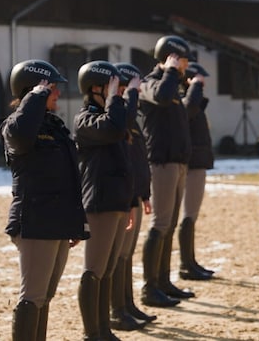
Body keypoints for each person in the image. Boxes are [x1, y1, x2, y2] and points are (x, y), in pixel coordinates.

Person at [0, 59, 89, 340]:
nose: (57, 93)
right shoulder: (15, 126)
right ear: (32, 90)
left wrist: (74, 223)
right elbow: (21, 135)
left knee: (45, 297)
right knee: (33, 297)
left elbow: (71, 177)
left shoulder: (55, 127)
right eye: (51, 88)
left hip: (58, 222)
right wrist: (36, 96)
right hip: (35, 222)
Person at [74, 60, 140, 340]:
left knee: (107, 270)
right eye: (111, 86)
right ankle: (92, 333)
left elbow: (124, 124)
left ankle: (103, 329)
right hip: (99, 202)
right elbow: (113, 128)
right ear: (95, 88)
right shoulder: (86, 119)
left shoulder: (112, 116)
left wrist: (129, 203)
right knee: (94, 269)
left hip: (117, 201)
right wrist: (116, 98)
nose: (117, 92)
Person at [138, 34, 194, 307]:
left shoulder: (174, 85)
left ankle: (163, 281)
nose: (186, 64)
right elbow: (160, 97)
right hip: (161, 163)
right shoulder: (150, 83)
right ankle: (149, 288)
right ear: (171, 58)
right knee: (160, 224)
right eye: (182, 59)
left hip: (178, 162)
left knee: (170, 224)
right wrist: (170, 71)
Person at [109, 62, 157, 330]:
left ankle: (126, 304)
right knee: (119, 255)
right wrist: (129, 96)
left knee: (127, 254)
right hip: (122, 197)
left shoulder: (131, 120)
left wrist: (144, 193)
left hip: (134, 195)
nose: (136, 92)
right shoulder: (118, 116)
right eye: (132, 88)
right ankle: (117, 309)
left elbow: (138, 161)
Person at [178, 62, 215, 281]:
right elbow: (188, 110)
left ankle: (190, 261)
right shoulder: (185, 98)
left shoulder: (192, 99)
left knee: (191, 216)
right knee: (188, 215)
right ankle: (186, 264)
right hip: (192, 163)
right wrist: (195, 88)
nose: (203, 84)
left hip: (197, 162)